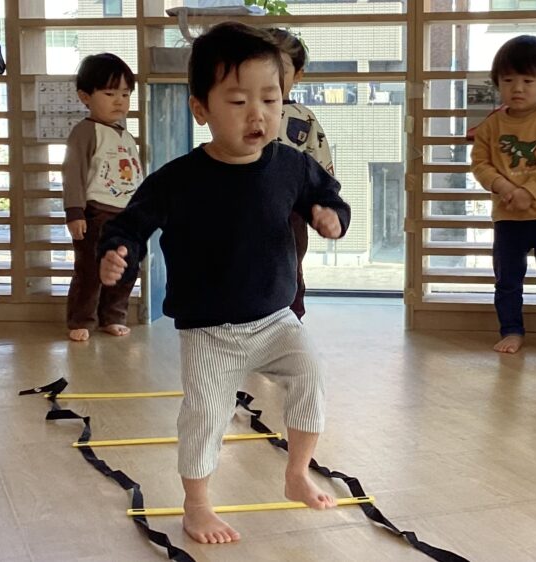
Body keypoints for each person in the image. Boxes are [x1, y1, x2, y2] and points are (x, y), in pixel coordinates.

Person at [98, 22, 351, 544]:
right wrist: (118, 251)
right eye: (238, 101)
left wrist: (331, 216)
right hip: (210, 330)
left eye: (270, 99)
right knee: (205, 417)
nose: (257, 114)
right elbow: (130, 224)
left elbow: (328, 195)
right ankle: (196, 506)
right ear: (201, 109)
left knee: (310, 376)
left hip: (277, 319)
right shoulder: (178, 179)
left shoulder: (291, 166)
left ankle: (297, 472)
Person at [471, 35, 536, 356]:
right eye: (508, 80)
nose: (517, 88)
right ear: (497, 83)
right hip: (508, 217)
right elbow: (480, 164)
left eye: (528, 81)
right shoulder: (491, 125)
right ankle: (511, 330)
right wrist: (504, 188)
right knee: (507, 281)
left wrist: (530, 191)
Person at [62, 53, 143, 342]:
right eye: (110, 94)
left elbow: (136, 175)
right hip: (96, 213)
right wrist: (75, 212)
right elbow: (73, 171)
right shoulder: (84, 132)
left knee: (126, 268)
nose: (119, 101)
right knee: (90, 270)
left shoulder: (126, 135)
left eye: (125, 94)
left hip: (127, 217)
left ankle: (113, 316)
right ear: (85, 96)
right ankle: (81, 319)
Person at [270, 28, 335, 320]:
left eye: (281, 69)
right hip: (247, 204)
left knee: (291, 265)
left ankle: (290, 318)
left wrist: (324, 204)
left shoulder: (303, 116)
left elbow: (320, 164)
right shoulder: (244, 110)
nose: (271, 76)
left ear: (298, 75)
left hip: (292, 209)